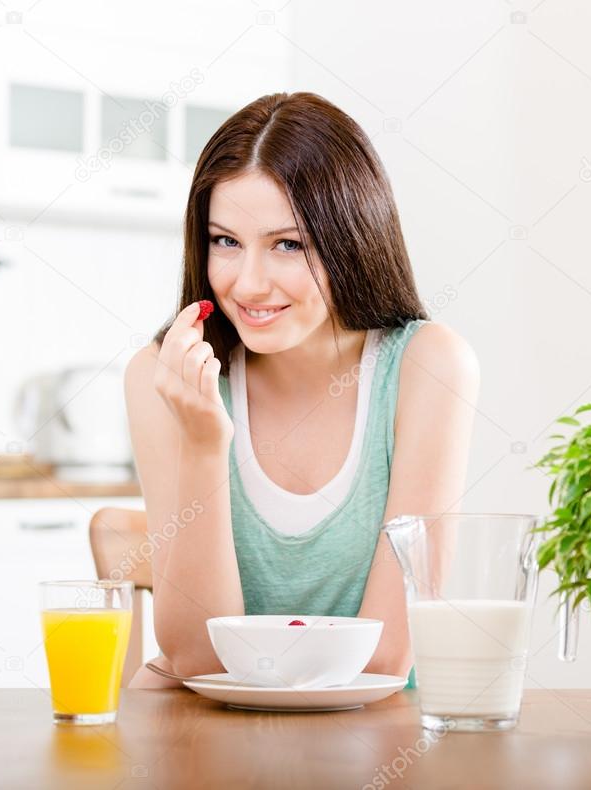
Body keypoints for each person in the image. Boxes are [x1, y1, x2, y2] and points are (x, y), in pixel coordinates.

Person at [124, 91, 479, 688]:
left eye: (288, 245)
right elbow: (198, 660)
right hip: (211, 749)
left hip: (375, 748)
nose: (249, 283)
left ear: (352, 238)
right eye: (225, 241)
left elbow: (387, 655)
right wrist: (205, 443)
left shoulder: (428, 366)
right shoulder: (163, 375)